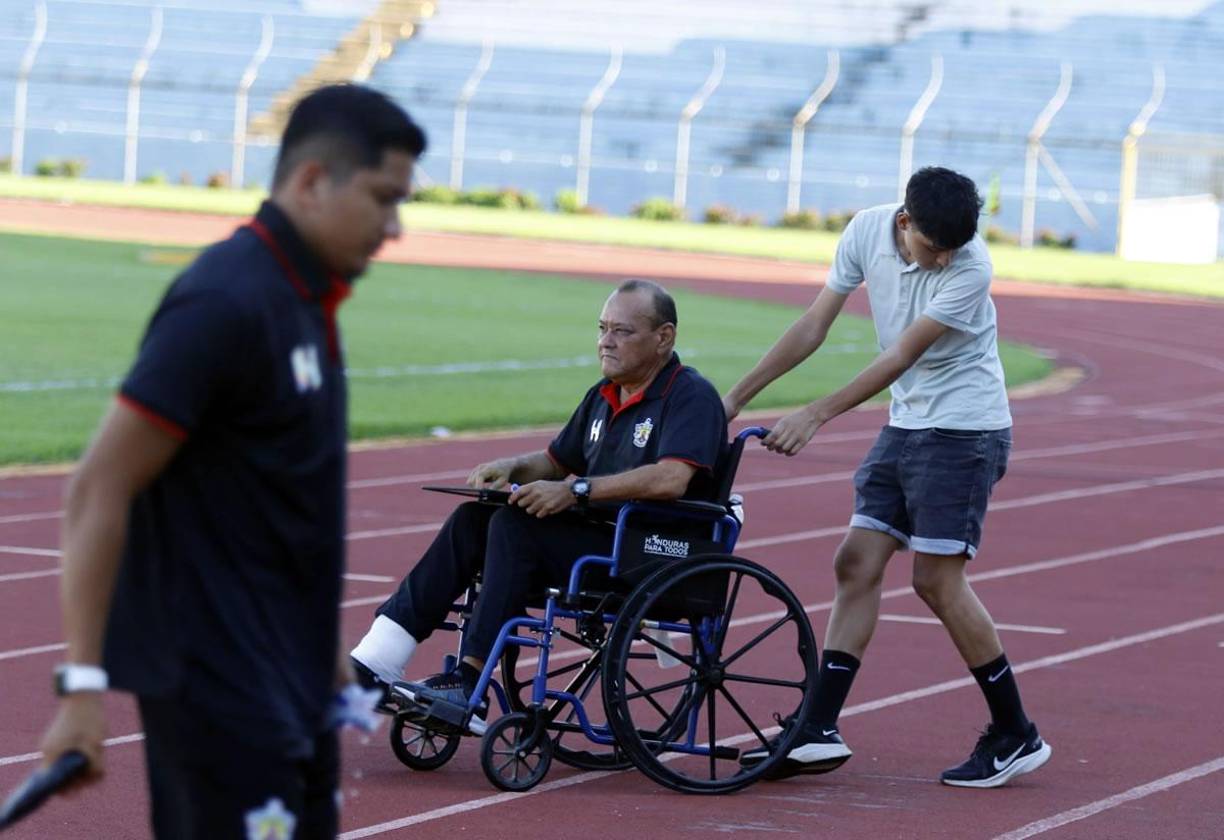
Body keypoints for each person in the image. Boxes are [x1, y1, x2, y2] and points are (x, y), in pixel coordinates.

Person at [37, 84, 426, 838]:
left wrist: (324, 652)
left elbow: (278, 501)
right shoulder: (225, 302)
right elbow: (97, 490)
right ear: (314, 181)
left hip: (297, 679)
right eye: (383, 198)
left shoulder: (307, 299)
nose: (396, 226)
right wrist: (81, 686)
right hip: (221, 692)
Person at [726, 167, 1050, 788]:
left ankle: (1016, 732)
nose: (945, 258)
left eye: (954, 247)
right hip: (910, 425)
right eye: (935, 246)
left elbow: (900, 354)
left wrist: (816, 414)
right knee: (856, 562)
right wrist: (737, 396)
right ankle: (818, 728)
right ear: (904, 222)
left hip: (964, 431)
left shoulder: (969, 269)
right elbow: (814, 325)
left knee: (935, 581)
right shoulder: (865, 232)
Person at [349, 279, 727, 723]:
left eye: (622, 331)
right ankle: (376, 660)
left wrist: (575, 490)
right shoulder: (603, 395)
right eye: (602, 328)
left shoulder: (691, 395)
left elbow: (671, 479)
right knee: (474, 518)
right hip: (600, 541)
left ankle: (467, 683)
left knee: (515, 527)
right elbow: (553, 461)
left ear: (664, 337)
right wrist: (509, 467)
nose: (605, 341)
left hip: (651, 553)